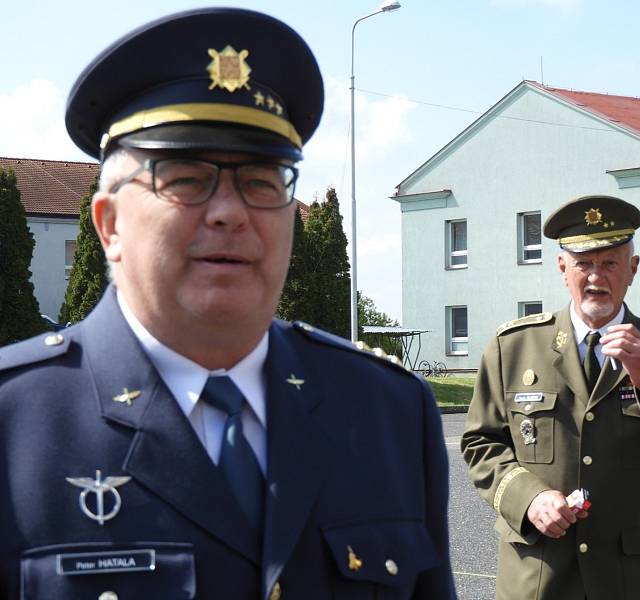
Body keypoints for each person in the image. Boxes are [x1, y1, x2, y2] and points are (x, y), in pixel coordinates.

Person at [0, 9, 455, 600]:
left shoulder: (387, 411)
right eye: (186, 178)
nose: (230, 212)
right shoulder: (16, 424)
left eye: (262, 181)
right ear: (109, 225)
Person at [462, 195, 640, 600]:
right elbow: (480, 442)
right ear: (562, 269)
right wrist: (528, 497)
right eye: (583, 264)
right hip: (538, 579)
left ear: (633, 269)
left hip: (633, 581)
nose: (595, 277)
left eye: (609, 263)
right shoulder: (513, 347)